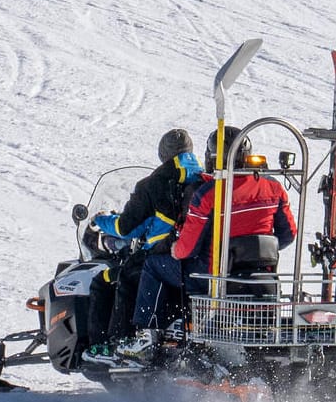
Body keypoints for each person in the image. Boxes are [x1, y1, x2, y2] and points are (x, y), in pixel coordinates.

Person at [97, 125, 296, 366]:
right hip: (259, 277)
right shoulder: (273, 187)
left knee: (152, 265)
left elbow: (187, 247)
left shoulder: (210, 194)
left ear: (213, 158)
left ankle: (147, 335)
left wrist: (174, 249)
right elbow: (287, 234)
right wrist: (256, 254)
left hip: (211, 276)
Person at [80, 128, 203, 362]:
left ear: (163, 153)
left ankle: (112, 345)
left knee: (107, 280)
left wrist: (99, 220)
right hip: (195, 259)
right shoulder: (204, 179)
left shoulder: (153, 183)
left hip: (158, 256)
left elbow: (126, 228)